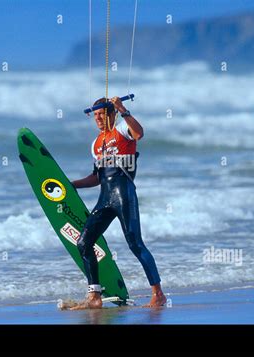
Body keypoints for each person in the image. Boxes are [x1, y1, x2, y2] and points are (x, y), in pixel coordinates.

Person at [70, 96, 166, 309]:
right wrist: (72, 185)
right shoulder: (95, 144)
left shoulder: (123, 129)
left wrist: (123, 109)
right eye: (94, 115)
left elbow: (139, 133)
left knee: (135, 243)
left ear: (110, 114)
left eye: (101, 114)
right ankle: (94, 296)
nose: (97, 119)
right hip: (105, 198)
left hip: (124, 192)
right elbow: (96, 177)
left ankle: (158, 294)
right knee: (84, 243)